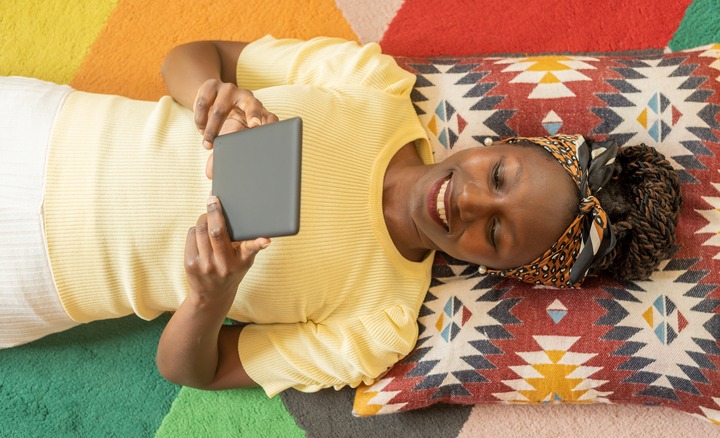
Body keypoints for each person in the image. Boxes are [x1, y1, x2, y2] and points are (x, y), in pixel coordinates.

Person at [0, 35, 681, 396]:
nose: (471, 200)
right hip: (43, 129)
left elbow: (193, 372)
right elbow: (195, 54)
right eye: (499, 175)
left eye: (497, 232)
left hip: (33, 280)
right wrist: (212, 93)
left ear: (503, 271)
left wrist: (211, 296)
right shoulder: (373, 85)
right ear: (501, 142)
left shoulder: (378, 326)